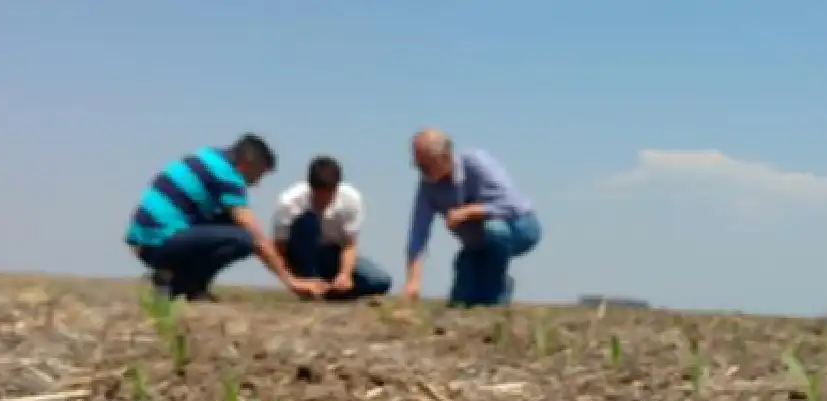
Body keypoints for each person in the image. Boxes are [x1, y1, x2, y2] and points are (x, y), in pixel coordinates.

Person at [124, 134, 322, 300]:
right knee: (244, 238)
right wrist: (291, 281)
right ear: (247, 164)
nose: (256, 183)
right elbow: (257, 238)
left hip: (150, 238)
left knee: (231, 225)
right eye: (258, 174)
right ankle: (185, 284)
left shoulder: (210, 157)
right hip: (159, 241)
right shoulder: (226, 175)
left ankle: (177, 281)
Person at [403, 129, 542, 308]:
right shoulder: (428, 186)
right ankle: (490, 284)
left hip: (520, 227)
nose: (421, 171)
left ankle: (496, 297)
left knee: (495, 230)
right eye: (418, 165)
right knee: (461, 301)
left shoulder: (477, 163)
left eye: (425, 166)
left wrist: (467, 212)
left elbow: (513, 205)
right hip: (478, 243)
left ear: (444, 158)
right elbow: (418, 232)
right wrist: (413, 281)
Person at [272, 156, 392, 300]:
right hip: (301, 253)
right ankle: (310, 283)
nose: (322, 202)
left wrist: (345, 274)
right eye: (318, 197)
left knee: (379, 281)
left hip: (333, 253)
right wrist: (293, 280)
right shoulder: (289, 202)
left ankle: (332, 290)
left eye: (327, 197)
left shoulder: (350, 200)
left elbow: (349, 244)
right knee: (307, 221)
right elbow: (279, 247)